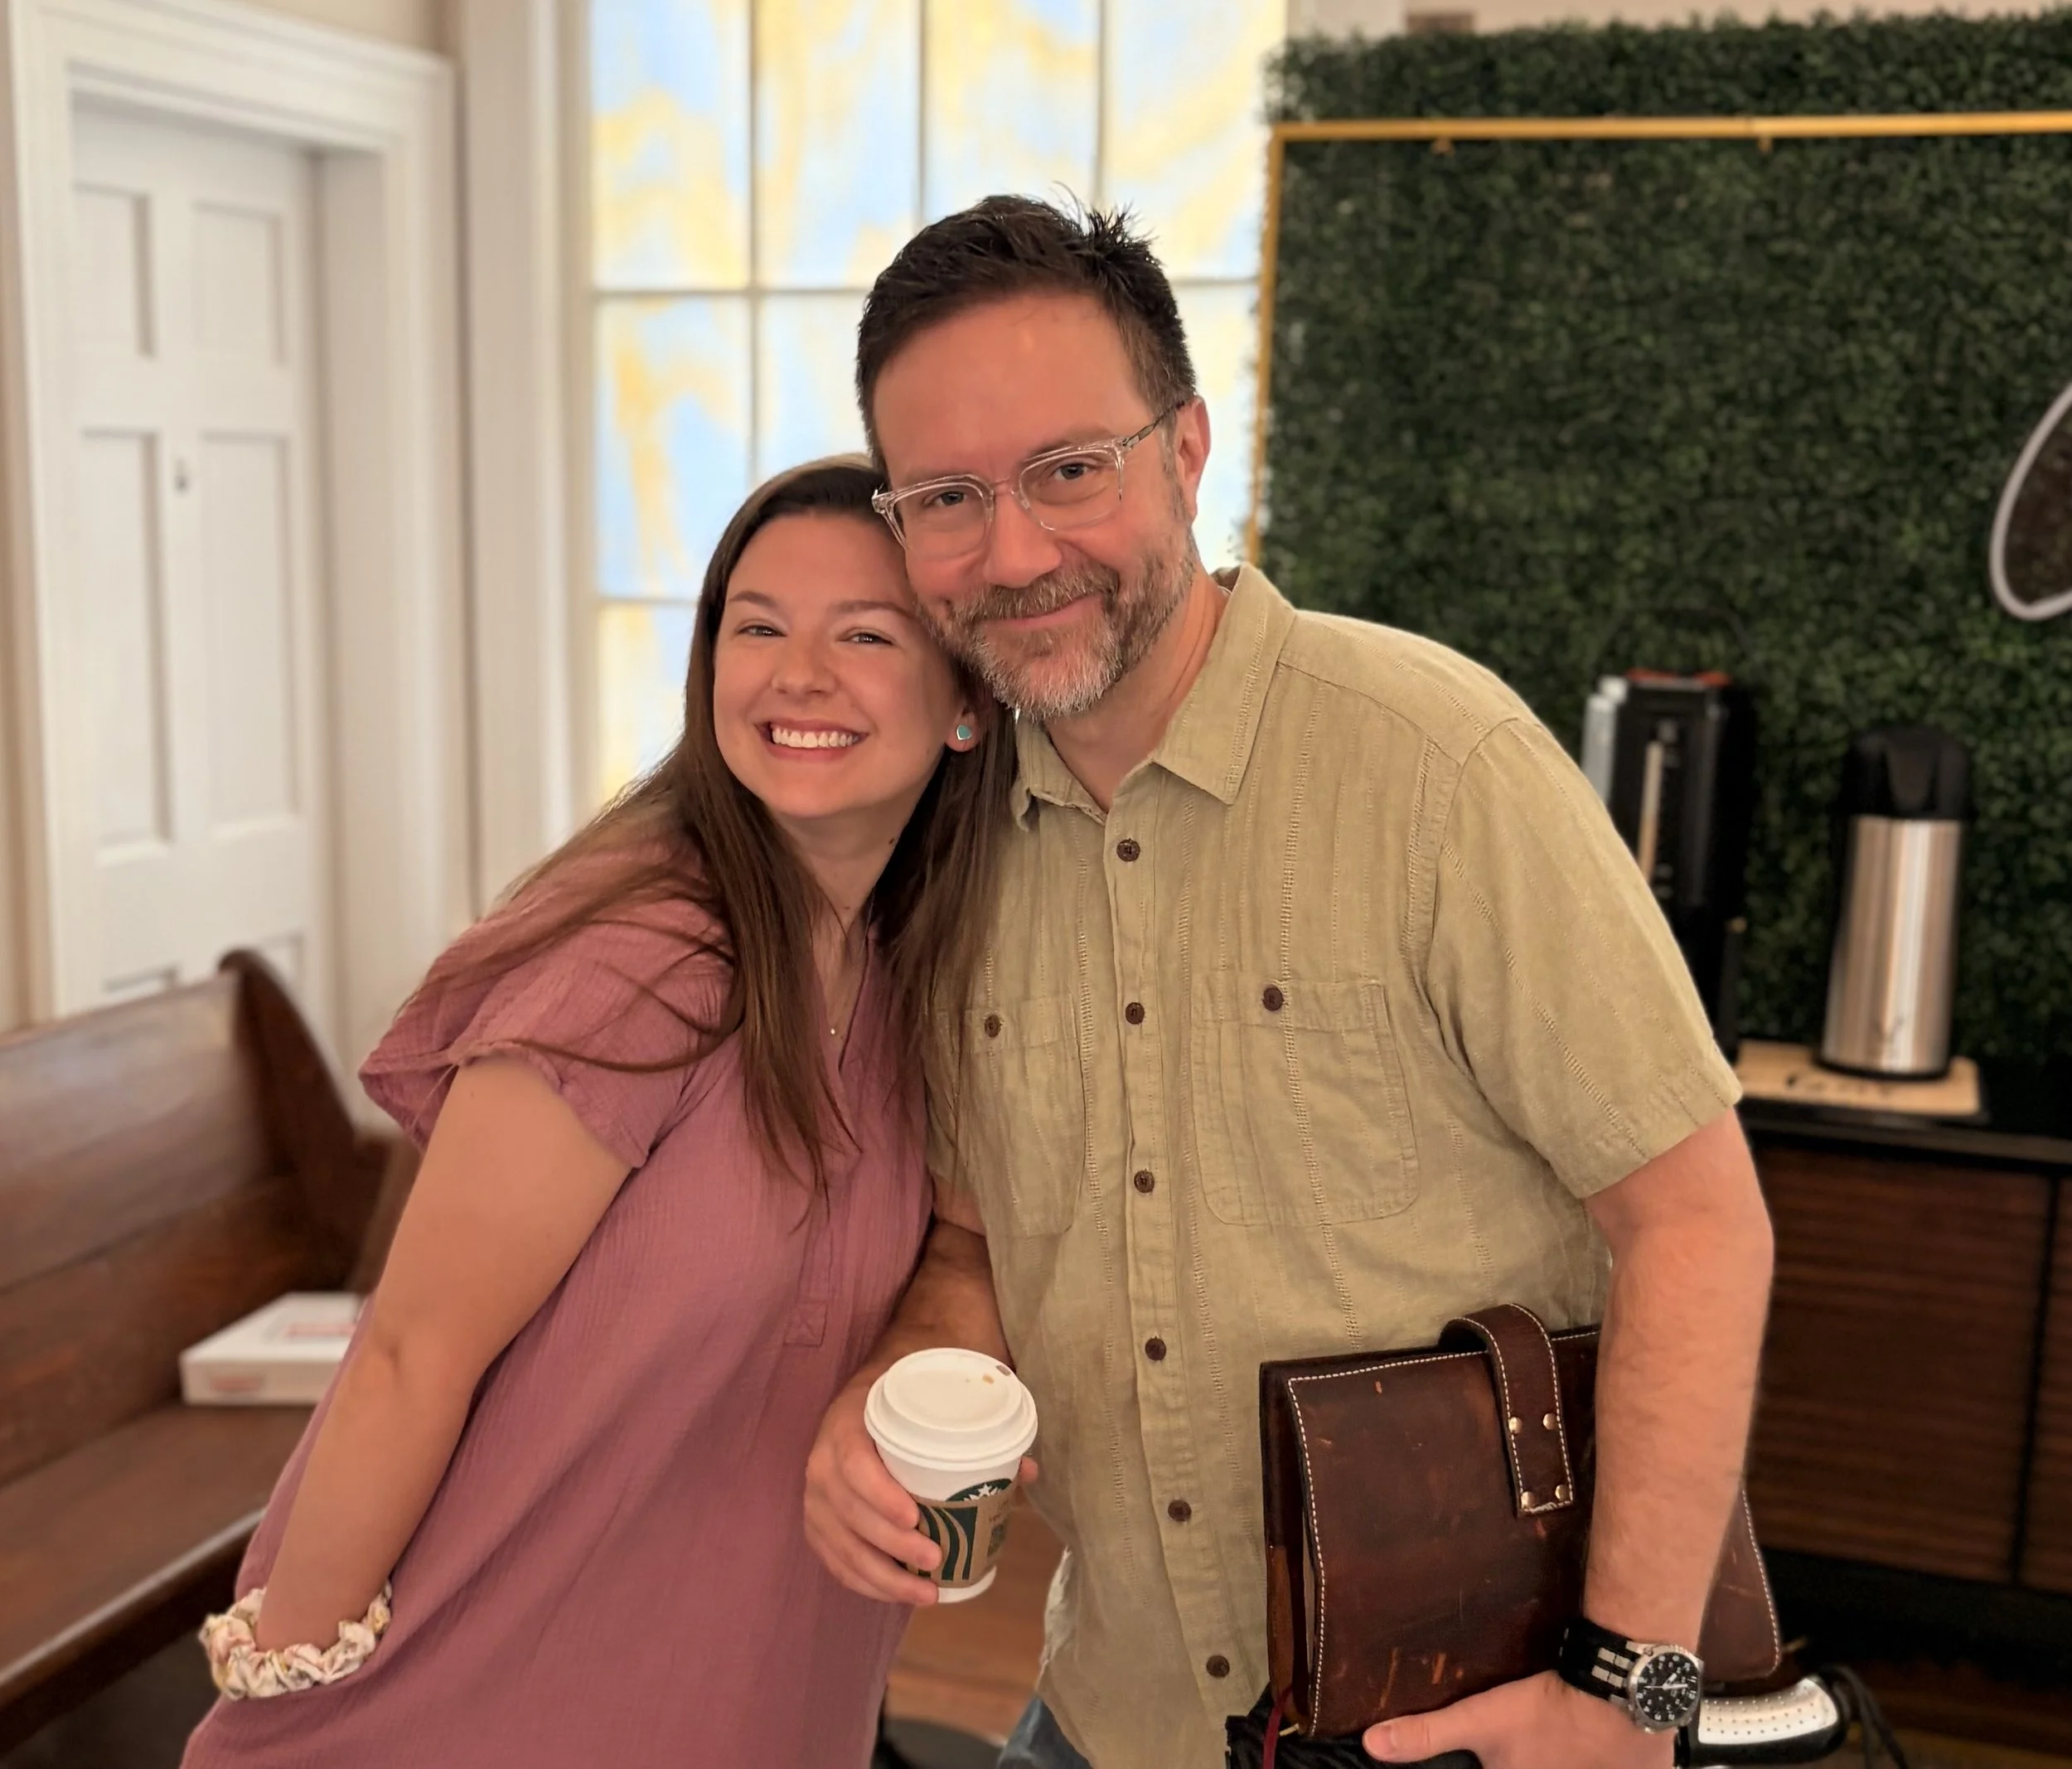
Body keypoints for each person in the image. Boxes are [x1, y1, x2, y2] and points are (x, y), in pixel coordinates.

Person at [802, 199, 1777, 1769]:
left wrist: (1627, 1690)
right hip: (1112, 1710)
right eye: (948, 498)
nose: (1017, 551)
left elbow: (1698, 1221)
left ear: (1187, 451)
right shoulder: (953, 849)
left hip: (1468, 1720)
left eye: (1071, 468)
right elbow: (979, 1236)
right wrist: (900, 1385)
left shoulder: (1441, 766)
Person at [182, 457, 1013, 1769]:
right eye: (757, 627)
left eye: (864, 635)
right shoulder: (642, 951)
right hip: (482, 1695)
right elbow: (408, 1354)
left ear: (966, 698)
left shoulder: (922, 968)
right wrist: (282, 1685)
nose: (798, 675)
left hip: (760, 1684)